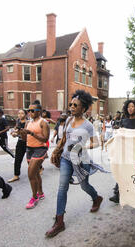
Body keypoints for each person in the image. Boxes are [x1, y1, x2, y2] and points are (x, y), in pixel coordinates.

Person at [45, 90, 105, 238]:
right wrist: (56, 151)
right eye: (71, 104)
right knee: (62, 187)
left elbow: (96, 142)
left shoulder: (88, 125)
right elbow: (64, 138)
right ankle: (59, 222)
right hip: (66, 158)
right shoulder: (68, 121)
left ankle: (96, 198)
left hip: (81, 160)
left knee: (84, 186)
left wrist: (84, 147)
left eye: (75, 105)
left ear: (83, 109)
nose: (71, 107)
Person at [109, 99, 135, 203]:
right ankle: (117, 194)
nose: (130, 108)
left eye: (133, 106)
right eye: (129, 106)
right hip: (124, 151)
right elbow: (121, 133)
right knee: (121, 172)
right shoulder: (124, 120)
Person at [20, 101, 50, 209]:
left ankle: (34, 197)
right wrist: (22, 133)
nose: (30, 112)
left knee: (31, 174)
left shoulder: (43, 123)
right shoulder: (28, 122)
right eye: (28, 110)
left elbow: (45, 139)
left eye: (32, 110)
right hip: (29, 149)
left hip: (40, 149)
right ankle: (41, 193)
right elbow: (25, 138)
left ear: (39, 111)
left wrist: (32, 133)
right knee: (36, 173)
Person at [8, 109, 28, 183]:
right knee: (17, 159)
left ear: (25, 114)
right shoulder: (18, 122)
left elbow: (25, 132)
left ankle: (40, 168)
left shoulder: (28, 122)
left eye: (22, 113)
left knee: (31, 159)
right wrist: (13, 133)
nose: (20, 115)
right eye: (19, 113)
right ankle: (16, 175)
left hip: (28, 142)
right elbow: (15, 130)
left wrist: (17, 133)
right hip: (20, 142)